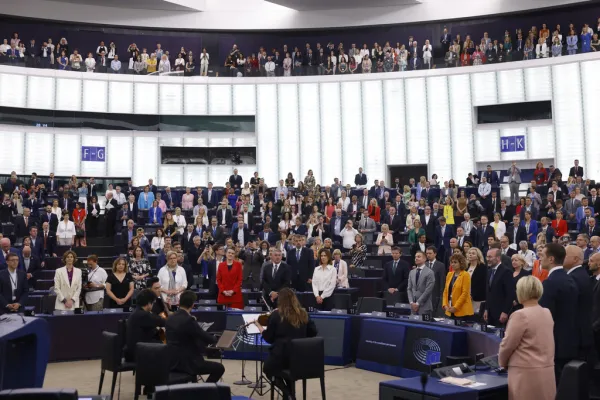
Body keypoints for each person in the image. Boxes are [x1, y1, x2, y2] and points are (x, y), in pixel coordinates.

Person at [498, 276, 556, 400]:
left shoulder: (520, 315)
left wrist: (502, 363)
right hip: (547, 372)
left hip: (525, 374)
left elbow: (507, 345)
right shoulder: (547, 312)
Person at [254, 287, 318, 398]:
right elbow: (313, 332)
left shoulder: (276, 315)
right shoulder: (303, 313)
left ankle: (288, 393)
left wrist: (259, 327)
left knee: (268, 369)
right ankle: (289, 394)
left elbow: (269, 338)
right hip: (300, 358)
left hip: (281, 357)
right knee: (287, 372)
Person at [538, 243, 579, 383]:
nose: (539, 258)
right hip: (568, 341)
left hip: (555, 343)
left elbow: (545, 317)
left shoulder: (551, 283)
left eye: (542, 255)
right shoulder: (569, 278)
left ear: (551, 259)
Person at [166, 290, 224, 382]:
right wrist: (215, 338)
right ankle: (204, 393)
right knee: (219, 368)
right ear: (192, 304)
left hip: (172, 361)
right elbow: (206, 338)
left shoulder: (170, 318)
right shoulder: (189, 320)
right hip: (188, 363)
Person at [563, 245, 594, 363]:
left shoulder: (574, 278)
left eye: (565, 256)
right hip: (580, 333)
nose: (562, 258)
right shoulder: (579, 275)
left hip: (576, 335)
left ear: (575, 259)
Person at [484, 248, 515, 326]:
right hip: (490, 314)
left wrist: (505, 312)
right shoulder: (489, 271)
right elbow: (488, 292)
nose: (487, 259)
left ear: (498, 258)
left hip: (501, 314)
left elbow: (510, 294)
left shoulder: (506, 272)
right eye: (487, 257)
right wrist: (486, 309)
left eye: (490, 257)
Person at [442, 253, 474, 320]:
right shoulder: (449, 274)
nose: (452, 264)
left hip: (462, 311)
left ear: (461, 263)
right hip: (450, 309)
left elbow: (464, 293)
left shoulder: (466, 275)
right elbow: (445, 291)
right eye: (451, 262)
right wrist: (445, 305)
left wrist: (456, 307)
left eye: (455, 262)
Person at [407, 251, 435, 316]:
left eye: (419, 257)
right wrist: (411, 302)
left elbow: (428, 290)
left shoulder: (430, 272)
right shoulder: (412, 272)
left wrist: (417, 303)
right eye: (415, 257)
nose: (416, 258)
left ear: (425, 259)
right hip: (413, 307)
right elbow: (409, 289)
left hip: (424, 307)